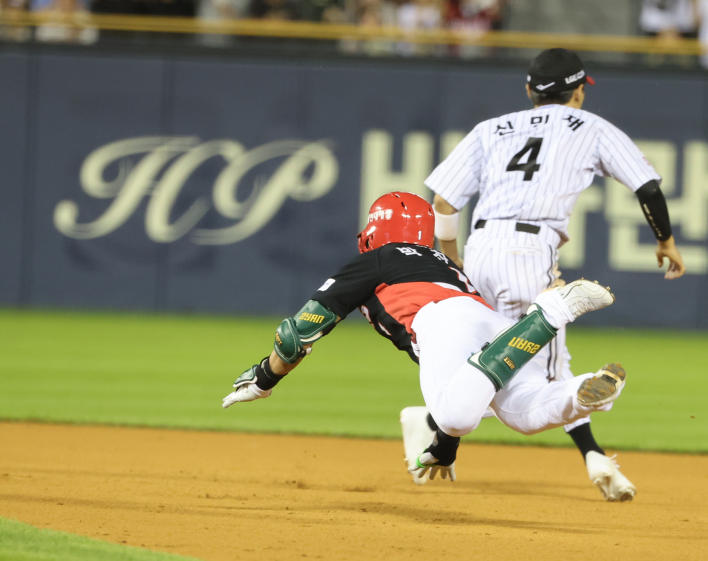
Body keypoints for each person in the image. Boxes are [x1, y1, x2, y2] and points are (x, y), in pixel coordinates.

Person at [416, 48, 686, 501]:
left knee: (485, 353)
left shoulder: (491, 128)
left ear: (529, 91)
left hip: (480, 247)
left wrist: (451, 255)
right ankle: (590, 441)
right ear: (579, 91)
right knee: (542, 370)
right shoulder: (592, 127)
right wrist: (665, 240)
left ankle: (437, 431)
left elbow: (442, 202)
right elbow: (648, 186)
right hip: (529, 249)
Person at [222, 192, 626, 484]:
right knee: (523, 412)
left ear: (375, 228)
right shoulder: (448, 264)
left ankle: (549, 314)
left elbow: (297, 335)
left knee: (455, 415)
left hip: (441, 324)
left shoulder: (375, 259)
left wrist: (264, 379)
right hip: (492, 325)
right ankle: (580, 391)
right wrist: (445, 448)